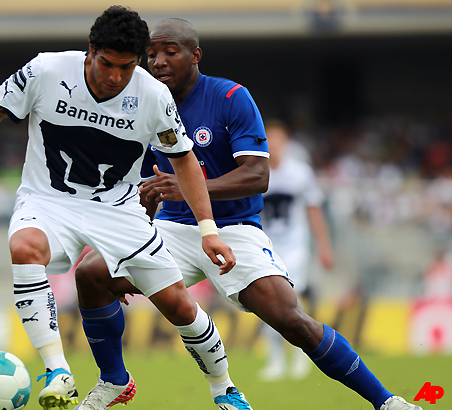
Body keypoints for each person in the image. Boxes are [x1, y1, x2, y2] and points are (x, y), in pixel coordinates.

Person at [75, 17, 423, 410]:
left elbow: (258, 175)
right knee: (91, 273)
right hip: (170, 228)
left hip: (233, 230)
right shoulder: (141, 104)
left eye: (170, 52)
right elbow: (140, 181)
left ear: (195, 55)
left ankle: (387, 402)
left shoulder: (230, 98)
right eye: (152, 54)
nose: (158, 62)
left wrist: (188, 189)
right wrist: (145, 206)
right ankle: (115, 381)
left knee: (292, 321)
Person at [0, 6, 244, 410]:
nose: (115, 77)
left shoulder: (152, 96)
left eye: (127, 67)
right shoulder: (46, 71)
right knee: (24, 247)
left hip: (118, 210)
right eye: (108, 64)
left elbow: (183, 159)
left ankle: (224, 387)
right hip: (48, 200)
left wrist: (208, 230)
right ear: (90, 51)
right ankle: (58, 371)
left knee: (178, 305)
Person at [258, 120, 334, 381]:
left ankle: (303, 355)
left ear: (287, 143)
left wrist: (324, 247)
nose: (275, 147)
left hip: (294, 246)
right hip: (266, 246)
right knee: (267, 301)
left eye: (279, 141)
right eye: (270, 141)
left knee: (290, 297)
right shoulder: (255, 171)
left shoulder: (300, 173)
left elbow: (314, 211)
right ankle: (275, 360)